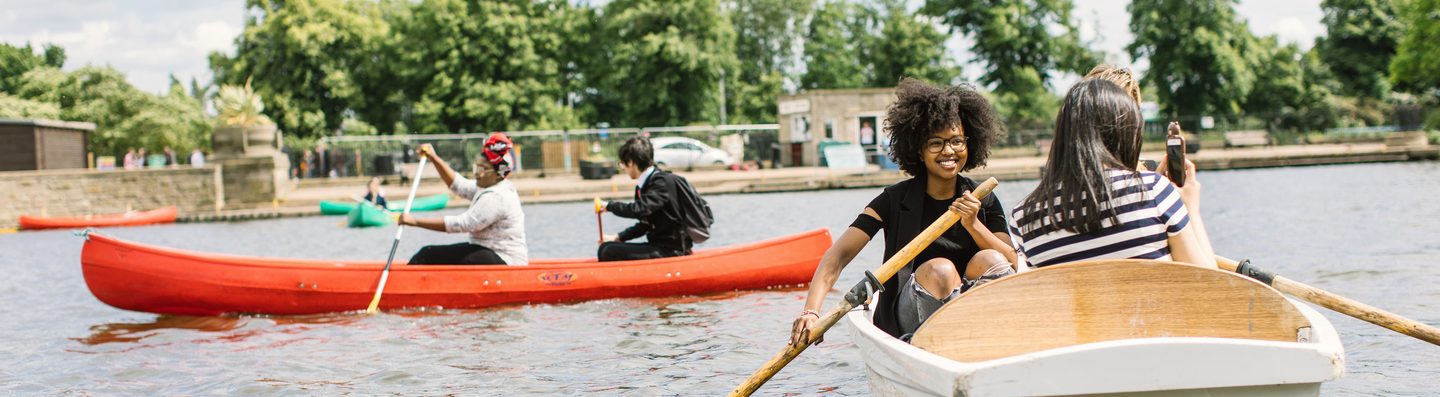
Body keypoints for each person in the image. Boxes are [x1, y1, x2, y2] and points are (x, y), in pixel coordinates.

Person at [790, 78, 1020, 344]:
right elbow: (837, 257)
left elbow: (1011, 263)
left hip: (973, 315)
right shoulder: (893, 200)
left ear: (970, 144)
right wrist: (811, 311)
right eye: (936, 143)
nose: (949, 151)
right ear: (919, 150)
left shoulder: (982, 198)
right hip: (912, 316)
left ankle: (986, 343)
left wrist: (973, 224)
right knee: (940, 270)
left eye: (957, 141)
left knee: (991, 259)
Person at [1009, 79, 1215, 269]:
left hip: (1078, 310)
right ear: (1125, 134)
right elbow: (1210, 282)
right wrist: (1190, 208)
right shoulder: (1154, 191)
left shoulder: (1022, 217)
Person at [397, 133, 527, 265]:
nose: (477, 173)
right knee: (431, 254)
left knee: (426, 255)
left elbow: (462, 224)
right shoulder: (487, 186)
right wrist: (433, 157)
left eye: (483, 169)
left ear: (499, 174)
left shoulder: (497, 197)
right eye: (477, 167)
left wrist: (414, 221)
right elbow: (457, 185)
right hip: (486, 251)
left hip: (505, 259)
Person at [595, 136, 693, 262]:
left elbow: (639, 209)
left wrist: (609, 206)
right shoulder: (644, 185)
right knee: (606, 248)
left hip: (672, 251)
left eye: (622, 163)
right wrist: (618, 237)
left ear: (630, 162)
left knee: (607, 251)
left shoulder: (661, 183)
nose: (622, 168)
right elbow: (645, 224)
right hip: (658, 247)